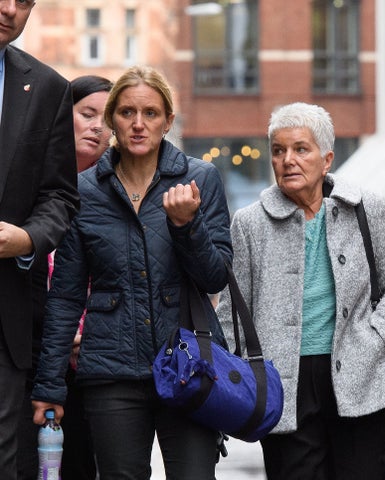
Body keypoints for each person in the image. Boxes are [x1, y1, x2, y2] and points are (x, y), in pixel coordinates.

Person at [31, 65, 232, 479]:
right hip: (110, 370)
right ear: (112, 121)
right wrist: (50, 385)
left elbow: (215, 278)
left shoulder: (199, 179)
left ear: (168, 121)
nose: (138, 124)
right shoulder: (84, 190)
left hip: (189, 364)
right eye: (126, 113)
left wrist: (187, 226)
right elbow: (66, 295)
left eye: (151, 113)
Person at [215, 102, 385, 480]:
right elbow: (233, 313)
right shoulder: (248, 223)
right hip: (283, 385)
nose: (288, 160)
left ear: (326, 159)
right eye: (278, 151)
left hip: (358, 372)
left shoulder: (366, 207)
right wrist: (238, 383)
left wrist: (374, 336)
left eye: (300, 149)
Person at [17, 74, 114, 480]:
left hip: (97, 356)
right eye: (86, 114)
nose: (97, 126)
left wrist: (86, 331)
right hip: (31, 349)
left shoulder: (118, 190)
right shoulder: (27, 180)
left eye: (107, 120)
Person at [0, 1, 80, 478]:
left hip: (5, 318)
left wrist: (28, 238)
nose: (10, 9)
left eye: (25, 0)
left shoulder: (48, 87)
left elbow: (60, 197)